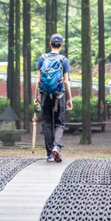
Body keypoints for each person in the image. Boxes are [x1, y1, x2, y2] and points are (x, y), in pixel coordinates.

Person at [34, 34, 73, 162]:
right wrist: (69, 99)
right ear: (61, 45)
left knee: (47, 124)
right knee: (59, 124)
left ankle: (50, 154)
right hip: (59, 95)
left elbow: (38, 80)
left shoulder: (42, 58)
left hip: (45, 96)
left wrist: (36, 96)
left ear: (50, 44)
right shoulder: (63, 60)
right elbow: (66, 82)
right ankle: (57, 147)